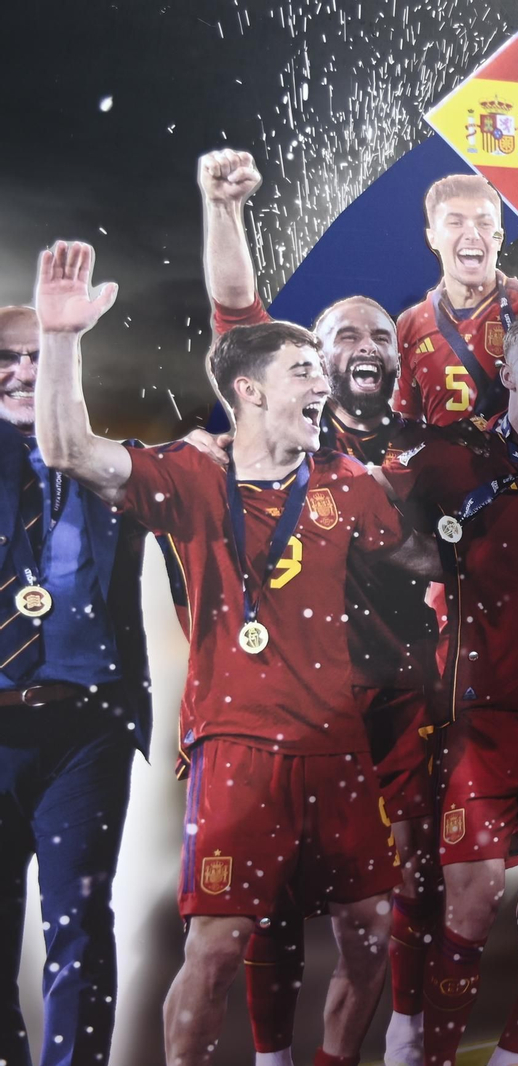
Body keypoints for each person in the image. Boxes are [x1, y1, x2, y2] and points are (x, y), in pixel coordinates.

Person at [34, 241, 437, 1066]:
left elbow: (425, 558)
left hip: (338, 747)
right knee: (217, 948)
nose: (321, 383)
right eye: (302, 371)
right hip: (238, 748)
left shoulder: (348, 483)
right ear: (249, 390)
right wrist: (64, 339)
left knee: (369, 932)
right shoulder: (188, 473)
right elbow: (72, 450)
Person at [194, 146, 443, 1066]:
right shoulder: (283, 419)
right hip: (291, 708)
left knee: (399, 897)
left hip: (399, 711)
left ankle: (406, 1044)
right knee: (275, 905)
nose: (366, 349)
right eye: (346, 337)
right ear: (315, 358)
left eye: (382, 335)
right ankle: (270, 1056)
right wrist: (226, 212)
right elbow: (236, 314)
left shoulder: (437, 447)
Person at [379, 310, 518, 1066]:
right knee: (471, 905)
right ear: (506, 374)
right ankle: (440, 1056)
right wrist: (421, 561)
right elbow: (365, 511)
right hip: (484, 728)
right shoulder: (450, 459)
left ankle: (513, 1055)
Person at [0, 302, 152, 1066]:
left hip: (84, 734)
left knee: (81, 926)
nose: (25, 372)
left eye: (41, 356)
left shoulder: (110, 467)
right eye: (9, 357)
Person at [395, 173, 518, 424]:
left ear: (498, 238)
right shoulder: (410, 324)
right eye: (455, 223)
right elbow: (406, 420)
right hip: (444, 462)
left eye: (484, 224)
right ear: (432, 237)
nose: (472, 234)